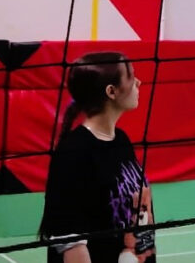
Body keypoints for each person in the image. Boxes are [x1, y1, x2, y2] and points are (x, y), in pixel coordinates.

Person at [40, 52, 155, 263]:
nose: (139, 82)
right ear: (111, 91)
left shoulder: (121, 140)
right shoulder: (73, 153)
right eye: (131, 76)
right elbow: (70, 242)